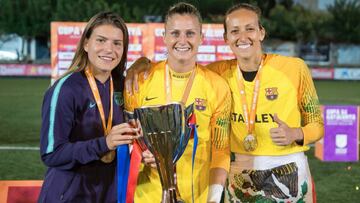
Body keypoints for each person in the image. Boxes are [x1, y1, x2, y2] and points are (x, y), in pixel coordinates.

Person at [126, 3, 324, 203]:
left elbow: (317, 124)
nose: (243, 36)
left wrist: (296, 134)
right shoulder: (215, 73)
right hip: (239, 176)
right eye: (235, 31)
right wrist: (141, 63)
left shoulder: (294, 69)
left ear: (261, 32)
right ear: (226, 38)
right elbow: (128, 136)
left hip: (287, 171)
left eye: (250, 29)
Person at [124, 2, 231, 203]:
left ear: (201, 37)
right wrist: (141, 152)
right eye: (175, 33)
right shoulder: (140, 80)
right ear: (164, 36)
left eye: (190, 33)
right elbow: (128, 139)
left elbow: (221, 149)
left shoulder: (217, 86)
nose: (182, 40)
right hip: (147, 196)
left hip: (198, 198)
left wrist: (214, 198)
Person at [38, 11, 138, 202]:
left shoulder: (123, 87)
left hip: (108, 193)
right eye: (101, 40)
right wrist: (104, 144)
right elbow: (51, 153)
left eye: (117, 43)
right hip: (69, 195)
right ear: (86, 44)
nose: (109, 49)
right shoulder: (65, 89)